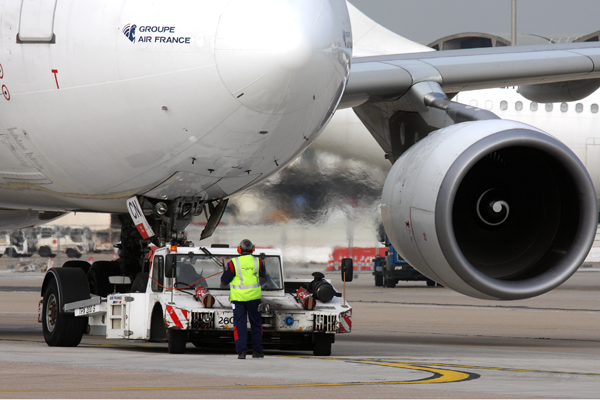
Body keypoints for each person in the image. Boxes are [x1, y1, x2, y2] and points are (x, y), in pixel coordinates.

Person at [221, 239, 266, 359]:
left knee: (239, 325)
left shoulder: (233, 263)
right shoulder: (258, 262)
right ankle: (257, 351)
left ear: (239, 250)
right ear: (253, 249)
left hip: (238, 299)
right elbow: (263, 276)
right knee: (256, 324)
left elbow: (224, 281)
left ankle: (242, 352)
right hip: (254, 298)